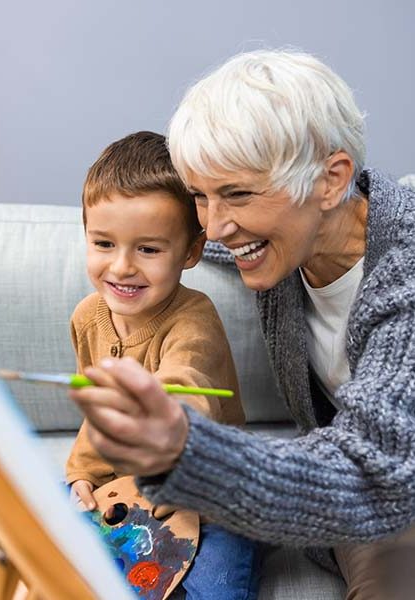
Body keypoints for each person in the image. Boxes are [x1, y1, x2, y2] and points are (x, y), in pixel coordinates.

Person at [69, 51, 415, 600]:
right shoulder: (279, 239)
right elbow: (196, 237)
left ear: (331, 180)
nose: (217, 226)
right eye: (201, 196)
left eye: (237, 194)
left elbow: (374, 478)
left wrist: (188, 449)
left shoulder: (405, 279)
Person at [65, 131, 260, 600]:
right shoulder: (86, 317)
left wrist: (154, 406)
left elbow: (184, 387)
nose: (122, 267)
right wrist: (82, 475)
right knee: (42, 523)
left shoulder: (194, 319)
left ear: (190, 252)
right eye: (104, 244)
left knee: (216, 586)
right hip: (125, 488)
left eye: (148, 250)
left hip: (208, 492)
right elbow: (98, 417)